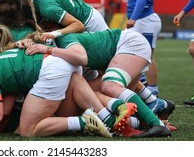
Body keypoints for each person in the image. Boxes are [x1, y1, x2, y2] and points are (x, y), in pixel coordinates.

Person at [0, 25, 135, 138]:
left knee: (28, 130)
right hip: (61, 62)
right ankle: (117, 118)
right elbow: (5, 108)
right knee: (71, 103)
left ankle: (84, 123)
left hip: (50, 70)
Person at [23, 29, 172, 138]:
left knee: (109, 86)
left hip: (129, 43)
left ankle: (156, 123)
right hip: (126, 46)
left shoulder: (66, 39)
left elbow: (81, 58)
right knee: (90, 94)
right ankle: (149, 121)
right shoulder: (65, 45)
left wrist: (47, 49)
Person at [124, 0, 162, 96]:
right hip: (139, 21)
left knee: (148, 57)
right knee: (133, 55)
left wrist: (133, 18)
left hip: (145, 20)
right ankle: (143, 86)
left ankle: (153, 92)